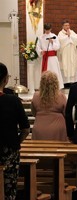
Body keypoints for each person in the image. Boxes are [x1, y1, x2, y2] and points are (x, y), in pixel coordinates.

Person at [0, 62, 30, 199]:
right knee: (9, 188)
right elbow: (25, 128)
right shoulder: (13, 101)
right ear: (6, 80)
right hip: (9, 151)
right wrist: (16, 143)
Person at [31, 71, 68, 141]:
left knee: (40, 150)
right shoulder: (61, 96)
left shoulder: (36, 96)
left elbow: (34, 113)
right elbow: (66, 113)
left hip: (40, 127)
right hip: (58, 129)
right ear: (56, 83)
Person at [36, 23, 64, 89]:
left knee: (54, 71)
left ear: (51, 29)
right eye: (46, 30)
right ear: (44, 29)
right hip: (45, 57)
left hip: (52, 58)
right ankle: (45, 86)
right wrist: (40, 51)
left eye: (48, 30)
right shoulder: (41, 37)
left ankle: (56, 86)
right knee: (46, 72)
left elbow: (58, 47)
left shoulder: (54, 36)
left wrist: (52, 42)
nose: (47, 31)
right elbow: (37, 46)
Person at [58, 20, 77, 85]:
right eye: (66, 25)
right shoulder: (60, 33)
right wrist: (67, 37)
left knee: (72, 64)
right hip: (65, 53)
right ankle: (65, 82)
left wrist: (70, 36)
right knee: (65, 65)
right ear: (63, 26)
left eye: (68, 25)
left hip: (72, 52)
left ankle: (72, 82)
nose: (67, 27)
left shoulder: (72, 32)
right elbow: (60, 40)